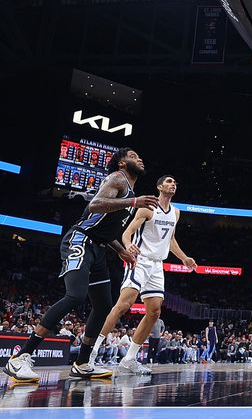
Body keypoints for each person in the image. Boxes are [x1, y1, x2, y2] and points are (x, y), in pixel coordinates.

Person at [3, 148, 158, 383]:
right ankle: (20, 357)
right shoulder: (117, 178)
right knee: (75, 295)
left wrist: (121, 251)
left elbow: (105, 232)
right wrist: (134, 201)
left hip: (98, 247)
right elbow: (95, 205)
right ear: (122, 163)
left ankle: (83, 363)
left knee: (104, 304)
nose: (140, 158)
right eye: (134, 156)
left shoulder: (130, 190)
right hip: (80, 240)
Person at [89, 175, 197, 375]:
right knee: (123, 305)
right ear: (159, 186)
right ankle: (91, 352)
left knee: (155, 312)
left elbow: (170, 239)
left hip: (157, 265)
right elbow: (126, 232)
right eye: (169, 182)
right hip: (140, 261)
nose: (173, 184)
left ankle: (129, 359)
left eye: (175, 182)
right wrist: (128, 245)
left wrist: (184, 258)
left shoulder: (176, 212)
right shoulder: (147, 208)